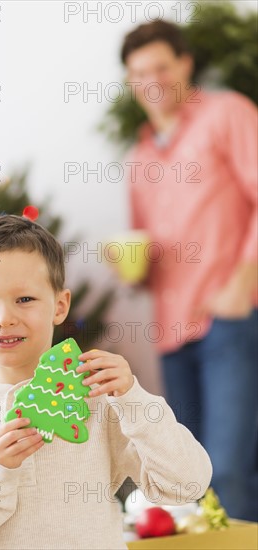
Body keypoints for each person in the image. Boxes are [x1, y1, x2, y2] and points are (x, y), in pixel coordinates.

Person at [0, 214, 211, 549]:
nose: (4, 318)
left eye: (25, 299)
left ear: (59, 306)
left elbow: (186, 484)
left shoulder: (100, 396)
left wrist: (134, 399)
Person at [120, 20, 258, 521]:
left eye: (160, 66)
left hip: (231, 319)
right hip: (171, 333)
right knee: (190, 473)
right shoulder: (139, 157)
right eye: (139, 73)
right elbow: (146, 250)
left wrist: (243, 282)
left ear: (184, 64)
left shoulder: (229, 115)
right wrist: (132, 270)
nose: (151, 81)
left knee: (229, 468)